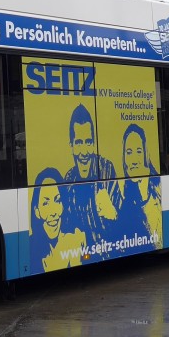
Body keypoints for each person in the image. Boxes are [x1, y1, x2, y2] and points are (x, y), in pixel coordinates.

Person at [62, 104, 118, 255]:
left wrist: (110, 211)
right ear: (71, 146)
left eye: (88, 142)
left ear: (94, 144)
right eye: (79, 143)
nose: (84, 152)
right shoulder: (68, 179)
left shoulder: (106, 169)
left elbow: (119, 221)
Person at [30, 168, 87, 272]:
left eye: (57, 200)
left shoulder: (77, 238)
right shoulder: (30, 248)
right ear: (37, 211)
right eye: (45, 203)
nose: (53, 213)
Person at [119, 123, 162, 249]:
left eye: (138, 151)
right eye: (129, 152)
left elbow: (158, 239)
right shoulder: (121, 191)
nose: (134, 160)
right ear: (124, 158)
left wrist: (144, 189)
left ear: (145, 154)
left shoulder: (156, 186)